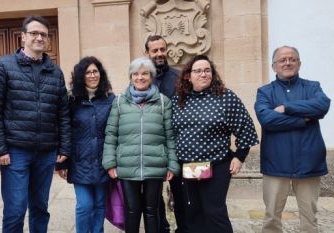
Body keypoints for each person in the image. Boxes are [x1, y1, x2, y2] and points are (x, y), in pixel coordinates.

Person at [0, 15, 71, 233]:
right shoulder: (3, 66)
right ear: (23, 36)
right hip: (15, 151)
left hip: (46, 151)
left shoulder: (55, 72)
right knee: (15, 210)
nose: (39, 37)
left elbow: (63, 113)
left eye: (43, 34)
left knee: (40, 208)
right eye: (34, 33)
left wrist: (64, 148)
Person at [172, 55, 259, 233]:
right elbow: (171, 131)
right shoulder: (179, 99)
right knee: (192, 212)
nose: (203, 74)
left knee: (214, 211)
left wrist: (240, 156)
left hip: (216, 164)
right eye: (198, 71)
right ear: (188, 75)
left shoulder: (225, 97)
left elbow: (245, 127)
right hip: (187, 166)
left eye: (207, 70)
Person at [255, 46, 331, 233]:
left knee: (309, 217)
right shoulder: (265, 92)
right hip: (276, 162)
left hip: (308, 162)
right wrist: (302, 119)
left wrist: (286, 107)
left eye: (292, 59)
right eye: (282, 60)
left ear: (299, 63)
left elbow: (322, 106)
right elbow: (267, 119)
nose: (287, 62)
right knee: (272, 215)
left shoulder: (313, 87)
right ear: (274, 66)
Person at [102, 57, 179, 233]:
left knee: (152, 211)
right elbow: (111, 134)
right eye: (136, 74)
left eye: (144, 73)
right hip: (127, 166)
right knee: (132, 210)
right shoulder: (120, 102)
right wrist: (110, 163)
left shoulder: (162, 102)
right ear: (131, 77)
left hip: (155, 166)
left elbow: (170, 136)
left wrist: (172, 165)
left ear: (151, 76)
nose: (140, 77)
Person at [55, 56, 115, 233]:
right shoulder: (72, 101)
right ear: (81, 76)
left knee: (99, 204)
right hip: (79, 161)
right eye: (88, 72)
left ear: (100, 74)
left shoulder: (110, 99)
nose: (92, 75)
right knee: (85, 205)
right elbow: (63, 131)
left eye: (95, 71)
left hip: (103, 160)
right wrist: (62, 162)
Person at [144, 35, 185, 233]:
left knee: (179, 191)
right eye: (155, 50)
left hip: (176, 145)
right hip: (150, 145)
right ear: (147, 53)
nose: (160, 54)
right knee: (152, 195)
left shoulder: (179, 77)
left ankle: (183, 228)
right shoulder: (142, 78)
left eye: (162, 49)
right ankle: (162, 228)